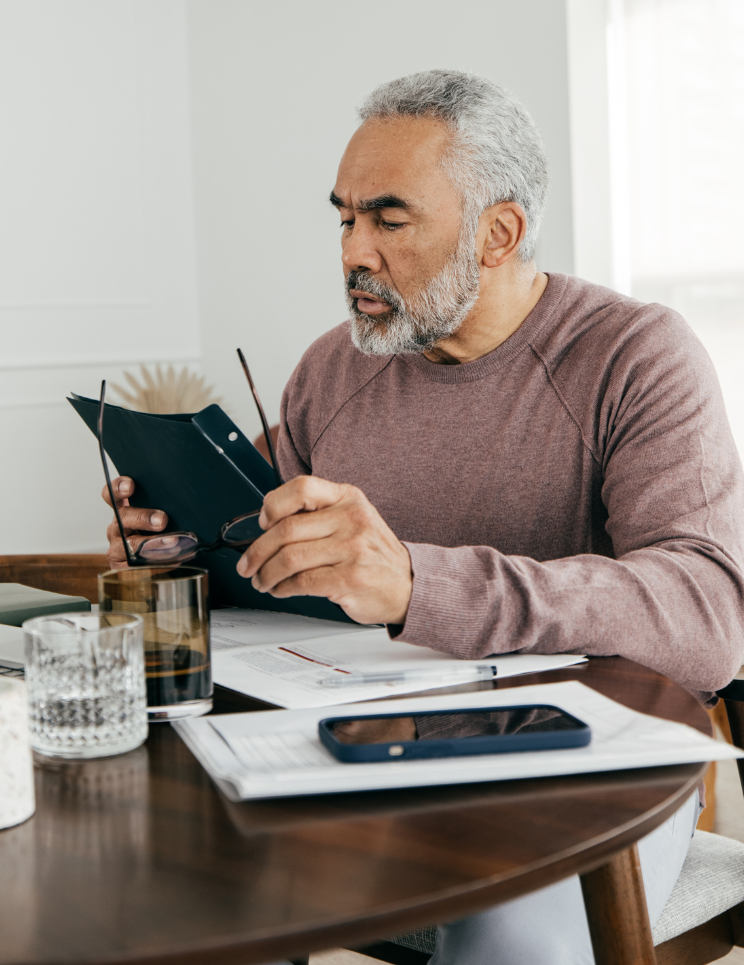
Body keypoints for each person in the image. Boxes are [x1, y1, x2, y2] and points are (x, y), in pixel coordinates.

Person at [103, 70, 744, 964]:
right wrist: (178, 545)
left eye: (389, 220)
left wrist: (417, 581)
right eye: (344, 218)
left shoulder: (638, 355)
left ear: (500, 232)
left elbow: (706, 619)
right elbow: (273, 565)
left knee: (509, 928)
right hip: (365, 741)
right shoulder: (332, 367)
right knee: (155, 867)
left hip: (589, 764)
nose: (353, 252)